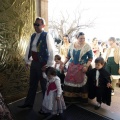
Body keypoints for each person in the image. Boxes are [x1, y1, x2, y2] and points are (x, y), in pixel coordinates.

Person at [18, 17, 55, 109]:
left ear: (43, 25)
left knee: (44, 86)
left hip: (43, 64)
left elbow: (52, 51)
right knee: (32, 84)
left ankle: (47, 108)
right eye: (35, 24)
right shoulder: (33, 36)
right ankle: (29, 103)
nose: (36, 26)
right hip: (34, 63)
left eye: (38, 24)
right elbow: (29, 49)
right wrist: (27, 61)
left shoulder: (47, 35)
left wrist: (48, 65)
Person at [63, 32, 93, 104]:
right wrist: (63, 63)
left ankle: (80, 99)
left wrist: (86, 66)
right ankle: (70, 99)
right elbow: (68, 56)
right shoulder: (71, 45)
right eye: (81, 38)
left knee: (81, 82)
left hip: (82, 67)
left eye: (84, 38)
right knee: (69, 82)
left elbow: (90, 58)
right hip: (72, 67)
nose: (82, 40)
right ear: (77, 38)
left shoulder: (87, 46)